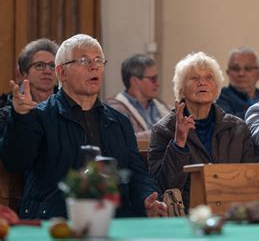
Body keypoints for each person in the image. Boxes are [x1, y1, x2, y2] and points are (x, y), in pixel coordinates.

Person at [1, 34, 167, 219]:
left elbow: (137, 173)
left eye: (98, 60)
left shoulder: (119, 121)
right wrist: (21, 119)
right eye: (84, 60)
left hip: (115, 220)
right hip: (57, 221)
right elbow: (15, 161)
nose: (94, 66)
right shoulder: (40, 116)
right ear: (62, 72)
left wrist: (146, 199)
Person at [148, 51, 259, 208]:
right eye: (194, 78)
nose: (202, 83)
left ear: (216, 88)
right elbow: (163, 186)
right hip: (188, 212)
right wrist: (178, 143)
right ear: (181, 89)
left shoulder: (237, 128)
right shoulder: (164, 130)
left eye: (209, 77)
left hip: (232, 211)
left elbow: (250, 178)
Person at [107, 54, 170, 140]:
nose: (158, 83)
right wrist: (162, 133)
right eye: (153, 79)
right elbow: (124, 140)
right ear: (135, 81)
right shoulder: (116, 109)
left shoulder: (160, 104)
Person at [216, 47, 259, 119]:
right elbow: (229, 124)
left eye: (248, 68)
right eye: (236, 68)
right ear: (228, 72)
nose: (241, 73)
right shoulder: (219, 97)